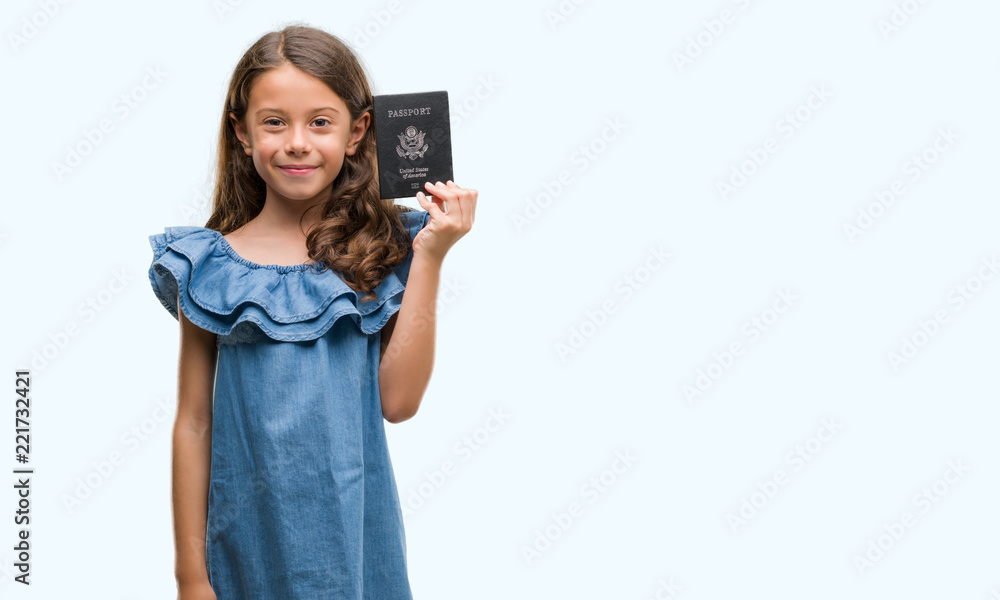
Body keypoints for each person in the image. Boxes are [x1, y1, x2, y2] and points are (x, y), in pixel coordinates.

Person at [146, 24, 477, 600]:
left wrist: (429, 259)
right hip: (242, 552)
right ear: (242, 134)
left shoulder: (384, 253)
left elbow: (398, 404)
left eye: (320, 122)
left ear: (358, 132)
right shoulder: (209, 267)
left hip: (356, 546)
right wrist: (190, 577)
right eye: (274, 121)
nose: (297, 141)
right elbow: (194, 423)